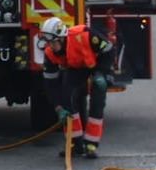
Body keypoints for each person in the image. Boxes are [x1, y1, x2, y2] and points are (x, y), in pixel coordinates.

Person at [39, 16, 116, 158]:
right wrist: (58, 107)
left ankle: (92, 144)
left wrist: (103, 73)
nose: (51, 46)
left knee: (97, 100)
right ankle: (75, 144)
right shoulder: (50, 54)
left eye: (53, 42)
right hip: (75, 68)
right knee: (67, 97)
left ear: (62, 38)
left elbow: (109, 50)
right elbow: (50, 84)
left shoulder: (84, 35)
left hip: (97, 64)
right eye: (48, 42)